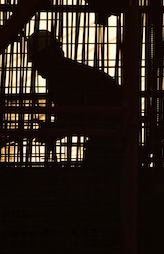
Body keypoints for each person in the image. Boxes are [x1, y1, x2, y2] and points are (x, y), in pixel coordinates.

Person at [26, 29, 122, 162]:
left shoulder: (62, 79)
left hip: (113, 133)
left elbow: (69, 119)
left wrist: (53, 130)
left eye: (38, 62)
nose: (37, 68)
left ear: (47, 58)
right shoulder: (66, 73)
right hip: (111, 130)